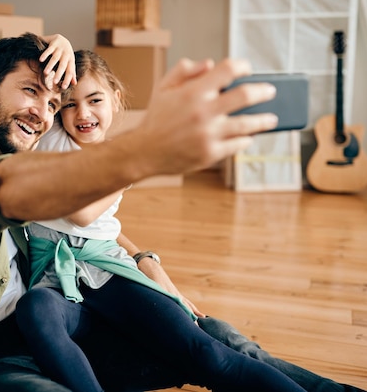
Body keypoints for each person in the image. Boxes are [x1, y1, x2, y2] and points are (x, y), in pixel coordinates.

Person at [0, 32, 365, 392]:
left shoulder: (14, 150)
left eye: (51, 102)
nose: (43, 114)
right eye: (28, 92)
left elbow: (69, 225)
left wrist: (143, 257)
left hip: (71, 323)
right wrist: (144, 153)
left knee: (217, 338)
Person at [16, 49, 307, 392]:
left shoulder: (121, 154)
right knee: (35, 308)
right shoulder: (55, 142)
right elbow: (81, 214)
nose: (82, 113)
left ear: (116, 99)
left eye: (95, 100)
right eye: (69, 104)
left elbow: (103, 226)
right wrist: (136, 167)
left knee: (209, 353)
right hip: (53, 277)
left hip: (109, 269)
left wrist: (144, 258)